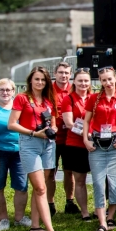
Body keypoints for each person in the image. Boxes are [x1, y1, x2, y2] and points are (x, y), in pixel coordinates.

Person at [7, 67, 59, 231]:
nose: (40, 83)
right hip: (30, 142)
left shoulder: (49, 99)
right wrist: (33, 133)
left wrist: (53, 129)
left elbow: (53, 122)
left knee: (40, 188)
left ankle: (35, 226)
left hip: (48, 144)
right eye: (37, 79)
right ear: (30, 80)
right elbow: (12, 124)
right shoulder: (22, 98)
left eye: (43, 80)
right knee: (41, 188)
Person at [82, 66, 116, 231]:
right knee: (98, 182)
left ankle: (110, 216)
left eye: (110, 79)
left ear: (115, 78)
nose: (108, 82)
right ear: (100, 82)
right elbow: (86, 121)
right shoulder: (94, 99)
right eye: (104, 80)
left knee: (115, 182)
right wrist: (85, 139)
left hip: (115, 144)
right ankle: (102, 222)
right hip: (97, 144)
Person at [0, 78, 29, 230]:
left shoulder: (20, 106)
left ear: (13, 92)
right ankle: (3, 219)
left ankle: (19, 217)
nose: (5, 93)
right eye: (1, 90)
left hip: (20, 152)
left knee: (21, 186)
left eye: (8, 90)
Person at [59, 69, 93, 221]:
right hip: (75, 145)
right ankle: (84, 212)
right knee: (80, 180)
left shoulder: (94, 98)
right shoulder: (69, 99)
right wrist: (87, 135)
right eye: (80, 81)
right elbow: (69, 123)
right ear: (74, 82)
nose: (83, 84)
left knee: (101, 178)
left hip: (94, 144)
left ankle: (102, 210)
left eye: (86, 81)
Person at [49, 60, 74, 216]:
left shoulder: (74, 89)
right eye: (61, 72)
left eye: (66, 73)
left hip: (70, 138)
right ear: (55, 74)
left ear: (70, 75)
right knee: (51, 172)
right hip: (52, 139)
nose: (63, 75)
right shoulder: (48, 91)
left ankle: (69, 201)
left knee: (69, 171)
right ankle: (50, 203)